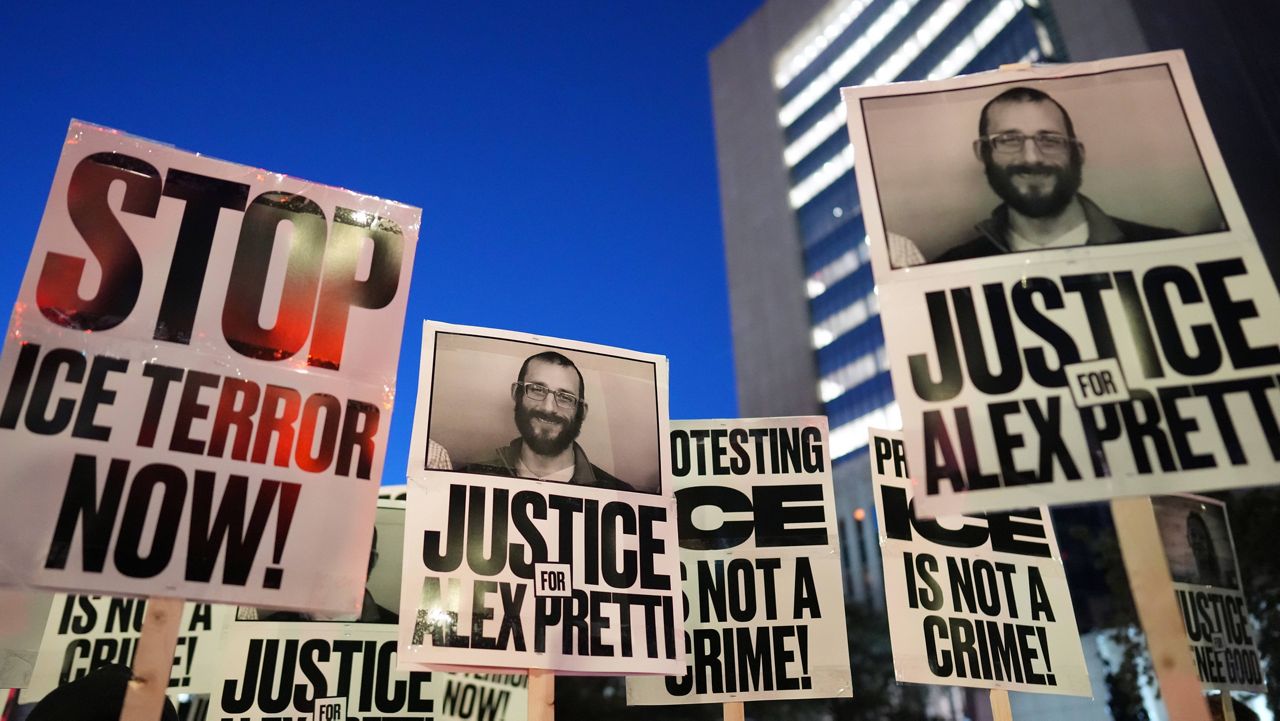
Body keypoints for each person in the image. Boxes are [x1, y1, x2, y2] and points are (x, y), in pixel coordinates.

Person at [936, 86, 1181, 262]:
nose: (1032, 158)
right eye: (1009, 140)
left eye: (1050, 140)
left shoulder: (1167, 248)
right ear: (982, 151)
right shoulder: (950, 269)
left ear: (1078, 152)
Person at [465, 351, 633, 491]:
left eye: (565, 397)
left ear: (582, 412)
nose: (548, 408)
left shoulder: (620, 495)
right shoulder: (470, 478)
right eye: (537, 389)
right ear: (517, 393)